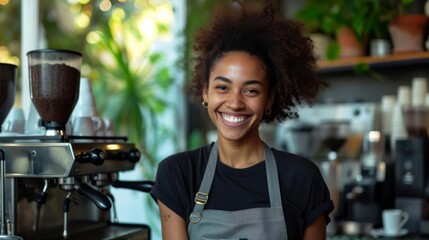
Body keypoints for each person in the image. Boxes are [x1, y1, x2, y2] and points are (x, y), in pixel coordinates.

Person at [150, 1, 333, 239]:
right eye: (223, 87)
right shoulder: (178, 174)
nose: (235, 103)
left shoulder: (302, 178)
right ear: (206, 92)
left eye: (251, 91)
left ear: (269, 100)